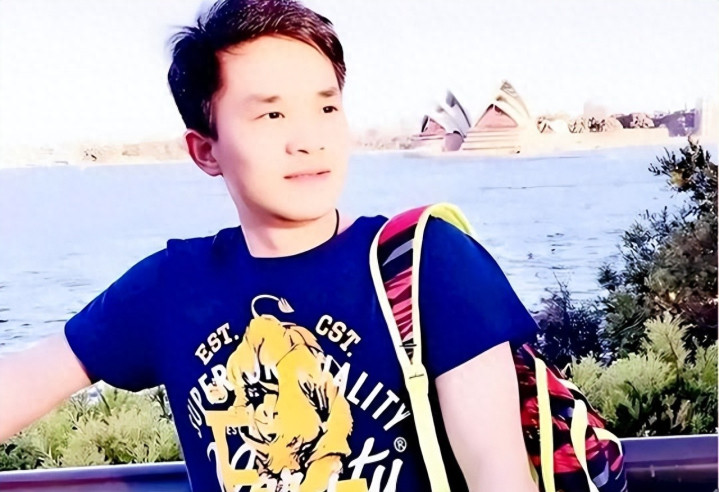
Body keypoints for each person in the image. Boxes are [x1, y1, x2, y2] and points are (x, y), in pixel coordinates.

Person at [0, 1, 539, 490]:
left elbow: (497, 472)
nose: (308, 139)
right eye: (272, 114)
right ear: (206, 150)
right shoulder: (172, 287)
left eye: (326, 108)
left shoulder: (427, 262)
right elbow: (28, 376)